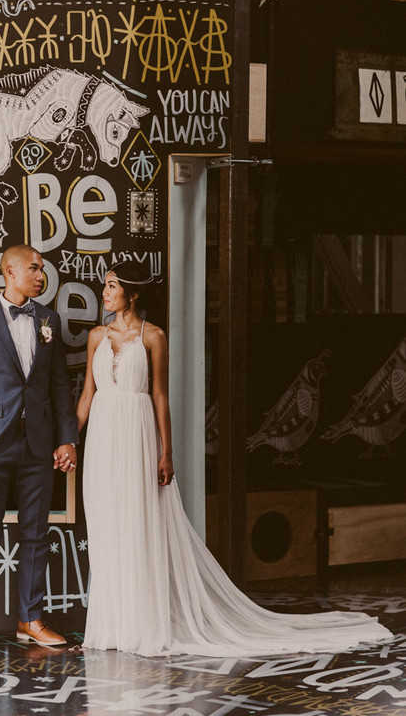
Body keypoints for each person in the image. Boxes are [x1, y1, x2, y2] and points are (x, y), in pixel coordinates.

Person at [76, 260, 392, 657]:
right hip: (103, 441)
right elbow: (87, 395)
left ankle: (142, 624)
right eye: (104, 286)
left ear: (132, 293)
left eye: (111, 286)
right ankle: (111, 628)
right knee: (107, 526)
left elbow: (160, 397)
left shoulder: (153, 336)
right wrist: (69, 440)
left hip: (138, 438)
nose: (104, 292)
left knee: (140, 524)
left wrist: (167, 451)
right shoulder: (95, 337)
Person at [0, 243, 78, 652]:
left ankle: (30, 619)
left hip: (38, 446)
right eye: (34, 268)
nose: (41, 275)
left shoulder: (49, 320)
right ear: (10, 271)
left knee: (36, 535)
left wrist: (66, 438)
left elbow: (60, 384)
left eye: (42, 269)